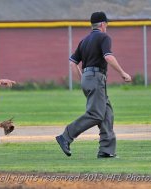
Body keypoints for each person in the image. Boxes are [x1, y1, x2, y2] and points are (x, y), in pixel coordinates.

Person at [56, 12, 132, 158]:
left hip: (88, 77)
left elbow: (72, 62)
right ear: (103, 24)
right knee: (96, 114)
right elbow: (108, 56)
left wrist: (83, 79)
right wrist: (123, 73)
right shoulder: (104, 37)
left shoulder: (84, 40)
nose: (107, 27)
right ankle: (66, 136)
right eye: (107, 24)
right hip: (96, 77)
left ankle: (106, 150)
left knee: (107, 113)